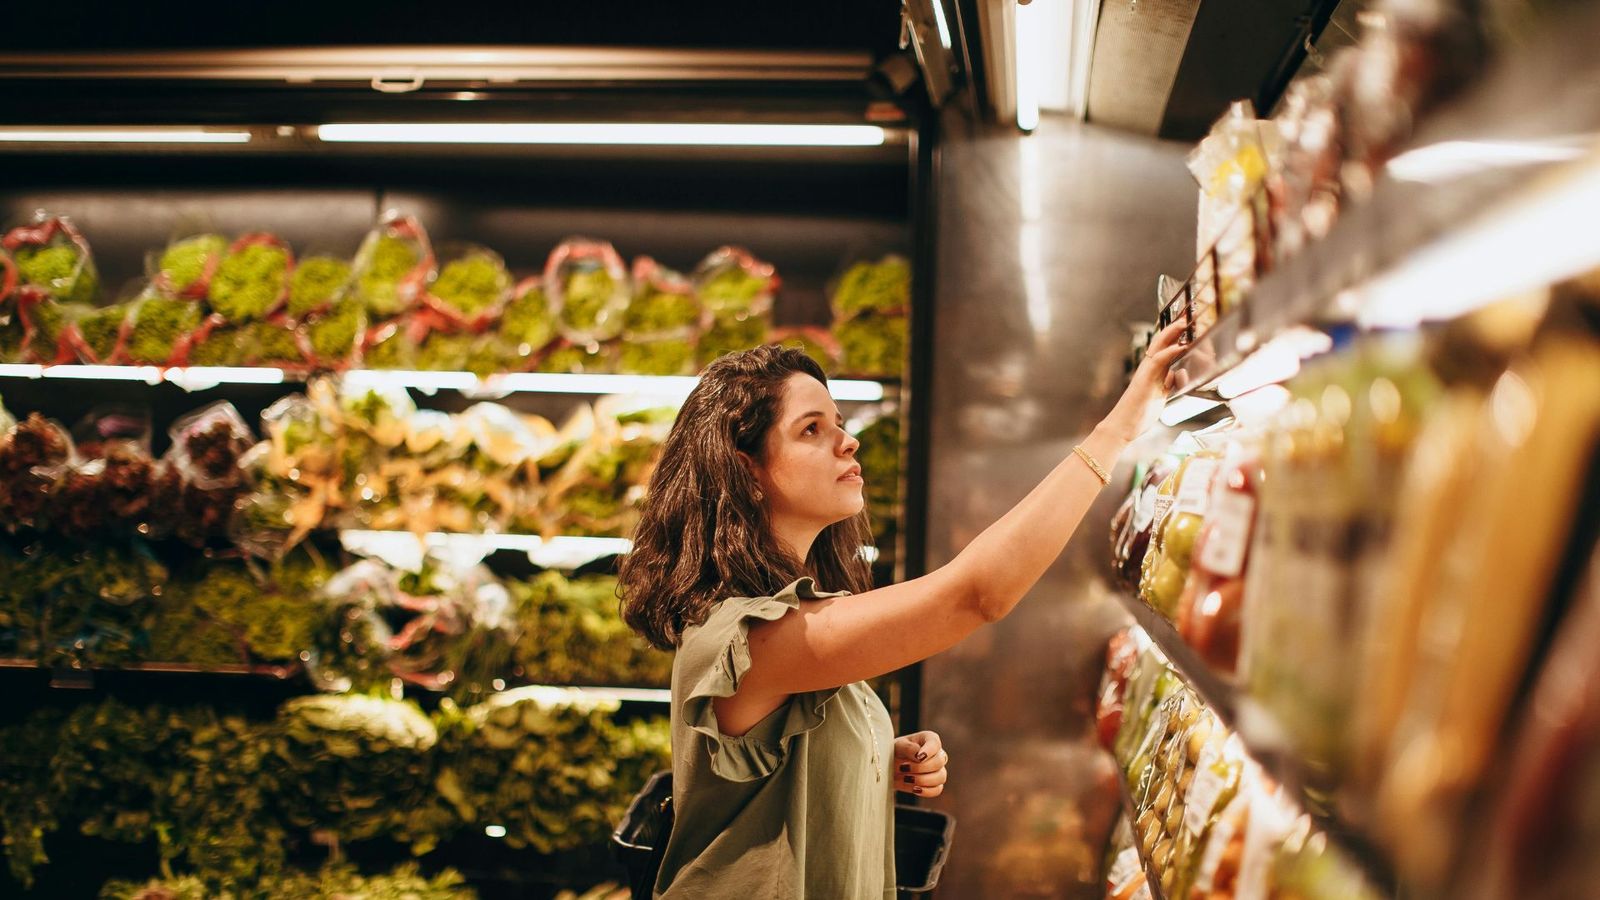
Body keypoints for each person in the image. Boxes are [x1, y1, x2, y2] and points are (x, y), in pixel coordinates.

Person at [618, 318, 1190, 899]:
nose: (848, 441)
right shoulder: (747, 637)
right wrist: (1117, 429)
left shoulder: (788, 620)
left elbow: (773, 771)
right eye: (811, 429)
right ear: (747, 470)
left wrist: (871, 758)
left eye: (839, 424)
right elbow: (976, 594)